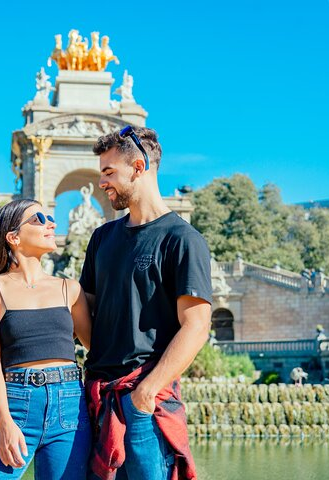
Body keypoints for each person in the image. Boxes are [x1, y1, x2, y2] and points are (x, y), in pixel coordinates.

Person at [80, 126, 212, 479]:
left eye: (110, 172)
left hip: (145, 403)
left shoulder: (182, 239)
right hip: (97, 400)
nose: (102, 183)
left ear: (138, 167)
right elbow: (89, 319)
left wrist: (146, 391)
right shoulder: (101, 238)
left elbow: (197, 325)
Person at [0, 199, 93, 479]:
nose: (51, 223)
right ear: (14, 237)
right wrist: (4, 422)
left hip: (70, 405)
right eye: (39, 219)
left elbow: (97, 347)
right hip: (16, 405)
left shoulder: (69, 289)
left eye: (49, 218)